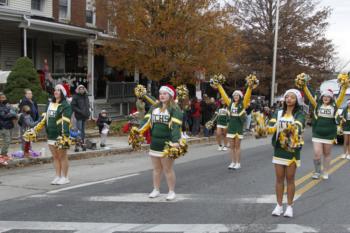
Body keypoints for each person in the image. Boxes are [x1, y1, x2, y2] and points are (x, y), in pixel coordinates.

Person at [138, 85, 183, 201]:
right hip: (155, 143)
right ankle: (156, 189)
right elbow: (146, 121)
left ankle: (171, 191)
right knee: (156, 169)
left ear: (170, 96)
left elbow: (176, 127)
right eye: (161, 93)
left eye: (165, 93)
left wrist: (175, 141)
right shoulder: (154, 108)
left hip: (167, 143)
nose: (162, 95)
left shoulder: (175, 109)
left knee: (168, 169)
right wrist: (138, 132)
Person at [268, 89, 305, 218]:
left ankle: (289, 206)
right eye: (287, 97)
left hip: (292, 149)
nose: (289, 99)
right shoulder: (278, 113)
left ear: (297, 100)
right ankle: (278, 205)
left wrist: (292, 130)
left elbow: (299, 126)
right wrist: (265, 128)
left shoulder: (300, 114)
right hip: (279, 149)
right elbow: (271, 125)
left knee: (290, 178)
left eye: (292, 97)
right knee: (279, 179)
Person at [301, 76, 347, 180]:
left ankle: (325, 171)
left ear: (331, 98)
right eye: (324, 96)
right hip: (317, 133)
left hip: (329, 134)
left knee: (327, 154)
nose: (326, 98)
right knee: (317, 154)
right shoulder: (317, 105)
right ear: (321, 97)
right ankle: (317, 172)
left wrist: (344, 87)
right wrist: (304, 86)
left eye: (328, 96)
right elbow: (309, 95)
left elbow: (341, 95)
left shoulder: (335, 106)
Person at [29, 84, 72, 185]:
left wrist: (64, 135)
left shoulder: (66, 105)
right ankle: (58, 176)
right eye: (55, 90)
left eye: (58, 90)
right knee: (55, 157)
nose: (56, 92)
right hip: (50, 134)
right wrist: (35, 130)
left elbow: (66, 122)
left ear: (62, 93)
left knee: (63, 156)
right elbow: (43, 119)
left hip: (60, 135)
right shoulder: (49, 104)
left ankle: (65, 177)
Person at [213, 80, 256, 170]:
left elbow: (247, 95)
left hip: (238, 127)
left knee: (237, 147)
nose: (235, 96)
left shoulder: (242, 104)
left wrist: (250, 86)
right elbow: (224, 95)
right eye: (234, 95)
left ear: (240, 97)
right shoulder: (230, 103)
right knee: (231, 147)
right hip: (231, 127)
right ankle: (232, 162)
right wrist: (219, 85)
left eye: (237, 95)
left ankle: (238, 163)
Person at [71, 85, 90, 152]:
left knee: (83, 131)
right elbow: (73, 106)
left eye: (83, 88)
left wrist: (88, 112)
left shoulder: (86, 96)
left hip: (85, 116)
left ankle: (82, 144)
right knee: (78, 131)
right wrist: (80, 111)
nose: (81, 90)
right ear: (78, 89)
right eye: (80, 88)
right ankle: (77, 146)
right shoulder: (75, 97)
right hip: (78, 116)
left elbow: (87, 105)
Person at [0, 93, 17, 164]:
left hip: (8, 125)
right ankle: (3, 154)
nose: (4, 99)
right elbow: (3, 116)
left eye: (5, 97)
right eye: (3, 98)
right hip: (3, 126)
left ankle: (4, 154)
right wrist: (12, 114)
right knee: (6, 140)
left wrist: (12, 113)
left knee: (8, 140)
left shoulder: (6, 105)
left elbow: (11, 112)